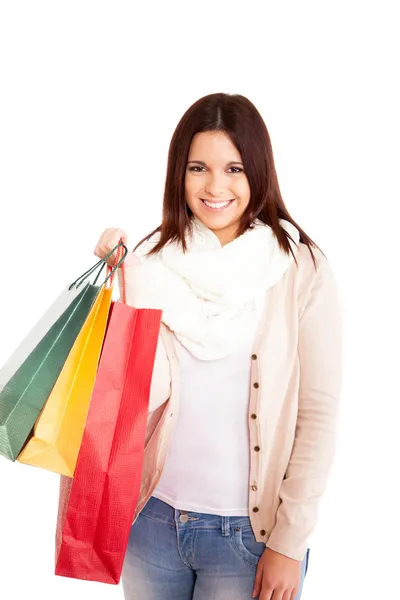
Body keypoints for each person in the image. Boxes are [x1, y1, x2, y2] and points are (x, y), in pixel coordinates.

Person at [94, 93, 342, 600]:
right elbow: (120, 389)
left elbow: (317, 413)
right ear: (178, 175)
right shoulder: (150, 259)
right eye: (198, 168)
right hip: (149, 523)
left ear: (258, 171)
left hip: (247, 539)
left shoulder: (299, 269)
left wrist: (289, 545)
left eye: (233, 168)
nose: (215, 186)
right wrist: (112, 278)